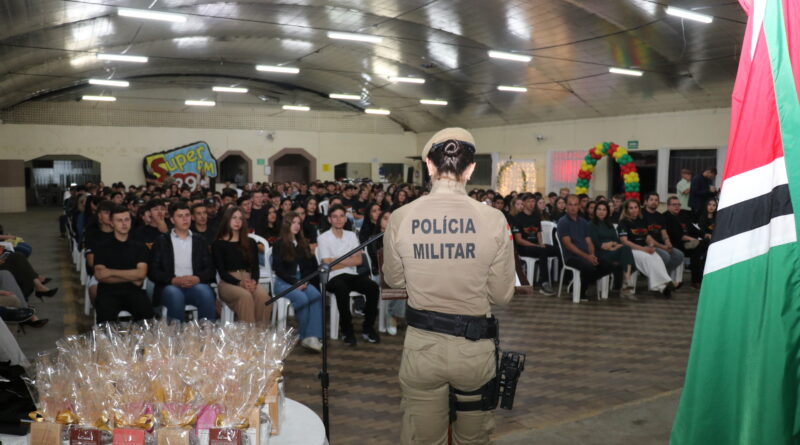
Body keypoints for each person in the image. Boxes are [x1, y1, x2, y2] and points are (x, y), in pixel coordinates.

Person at [383, 128, 515, 445]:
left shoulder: (401, 218)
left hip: (422, 348)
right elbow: (501, 295)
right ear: (469, 169)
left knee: (423, 439)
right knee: (474, 439)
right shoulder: (494, 219)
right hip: (474, 351)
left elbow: (395, 280)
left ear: (428, 165)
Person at [317, 204, 380, 345]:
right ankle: (347, 331)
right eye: (335, 217)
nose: (338, 219)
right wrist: (348, 259)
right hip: (332, 277)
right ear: (329, 220)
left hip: (351, 275)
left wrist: (336, 260)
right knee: (341, 289)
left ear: (346, 219)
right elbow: (327, 265)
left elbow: (358, 261)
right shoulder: (323, 238)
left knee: (373, 287)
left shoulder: (351, 236)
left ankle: (368, 328)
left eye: (341, 216)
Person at [149, 202, 216, 322]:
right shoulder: (162, 241)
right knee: (175, 295)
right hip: (170, 286)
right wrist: (172, 280)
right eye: (180, 216)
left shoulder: (199, 240)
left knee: (206, 292)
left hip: (195, 284)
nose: (185, 219)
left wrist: (197, 278)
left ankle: (207, 334)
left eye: (187, 215)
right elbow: (153, 271)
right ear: (172, 220)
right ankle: (176, 336)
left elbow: (210, 269)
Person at [271, 211, 323, 352]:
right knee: (302, 299)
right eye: (293, 223)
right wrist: (295, 282)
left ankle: (313, 336)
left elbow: (309, 267)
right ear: (287, 224)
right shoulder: (279, 244)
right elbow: (278, 269)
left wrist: (305, 281)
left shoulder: (302, 243)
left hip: (302, 280)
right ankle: (305, 336)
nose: (296, 226)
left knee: (316, 296)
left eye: (298, 223)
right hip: (284, 282)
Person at [93, 206, 154, 323]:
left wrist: (111, 272)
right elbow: (100, 275)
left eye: (127, 219)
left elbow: (141, 274)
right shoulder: (102, 246)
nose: (124, 223)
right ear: (111, 223)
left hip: (134, 292)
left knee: (147, 317)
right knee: (105, 319)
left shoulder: (139, 246)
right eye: (119, 220)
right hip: (108, 292)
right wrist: (132, 277)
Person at [212, 207, 271, 324]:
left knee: (264, 297)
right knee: (245, 296)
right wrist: (239, 283)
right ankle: (247, 337)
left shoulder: (250, 243)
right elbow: (222, 272)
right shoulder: (218, 244)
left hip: (249, 279)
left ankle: (260, 335)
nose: (237, 221)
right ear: (227, 220)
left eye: (240, 218)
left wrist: (254, 280)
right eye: (234, 218)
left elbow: (255, 267)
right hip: (229, 282)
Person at [556, 195, 614, 300]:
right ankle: (581, 292)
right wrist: (587, 257)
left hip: (586, 254)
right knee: (588, 266)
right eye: (570, 204)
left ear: (579, 206)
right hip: (571, 256)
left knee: (608, 265)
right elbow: (568, 245)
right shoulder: (563, 222)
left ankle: (578, 285)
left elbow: (589, 242)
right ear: (566, 206)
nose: (573, 207)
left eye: (575, 204)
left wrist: (592, 255)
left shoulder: (583, 222)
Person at [617, 199, 677, 297]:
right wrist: (644, 249)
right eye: (631, 208)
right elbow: (625, 241)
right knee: (648, 258)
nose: (634, 210)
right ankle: (668, 283)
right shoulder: (624, 222)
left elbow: (647, 236)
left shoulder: (642, 220)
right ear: (626, 210)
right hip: (630, 250)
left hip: (643, 248)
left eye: (636, 207)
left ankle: (662, 287)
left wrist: (651, 245)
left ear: (639, 208)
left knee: (657, 258)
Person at [512, 193, 558, 295]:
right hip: (523, 247)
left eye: (533, 201)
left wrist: (541, 243)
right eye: (528, 201)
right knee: (542, 251)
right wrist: (537, 246)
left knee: (557, 250)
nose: (531, 204)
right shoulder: (518, 218)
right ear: (523, 203)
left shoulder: (536, 216)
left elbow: (539, 234)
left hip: (536, 246)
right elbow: (519, 240)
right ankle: (544, 283)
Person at [588, 202, 636, 299]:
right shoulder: (591, 224)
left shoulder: (609, 225)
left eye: (604, 210)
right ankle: (626, 284)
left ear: (607, 212)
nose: (601, 212)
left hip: (612, 250)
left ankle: (626, 283)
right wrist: (610, 245)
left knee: (626, 248)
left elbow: (617, 241)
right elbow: (597, 243)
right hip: (600, 254)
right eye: (599, 209)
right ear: (595, 211)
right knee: (625, 250)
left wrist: (611, 246)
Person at [663, 196, 706, 288]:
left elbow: (693, 229)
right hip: (675, 244)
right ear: (668, 206)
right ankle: (679, 281)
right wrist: (692, 239)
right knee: (696, 247)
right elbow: (677, 235)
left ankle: (697, 280)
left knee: (701, 248)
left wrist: (705, 235)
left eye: (678, 204)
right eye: (674, 205)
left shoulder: (683, 215)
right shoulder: (666, 217)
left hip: (688, 244)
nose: (677, 207)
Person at [642, 193, 684, 278]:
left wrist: (668, 243)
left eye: (656, 200)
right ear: (646, 202)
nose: (654, 202)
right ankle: (662, 279)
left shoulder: (660, 216)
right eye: (651, 200)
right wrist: (663, 247)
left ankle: (663, 276)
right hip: (647, 245)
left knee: (679, 255)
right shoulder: (641, 215)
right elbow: (647, 238)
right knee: (665, 256)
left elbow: (664, 232)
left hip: (660, 244)